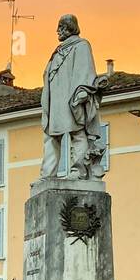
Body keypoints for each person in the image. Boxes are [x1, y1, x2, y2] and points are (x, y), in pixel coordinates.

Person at [41, 14, 108, 180]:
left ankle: (78, 171)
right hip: (55, 100)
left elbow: (85, 70)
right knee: (51, 136)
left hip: (71, 98)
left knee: (77, 133)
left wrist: (81, 94)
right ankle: (48, 175)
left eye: (61, 27)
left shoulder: (81, 46)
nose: (58, 31)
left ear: (69, 28)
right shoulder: (57, 52)